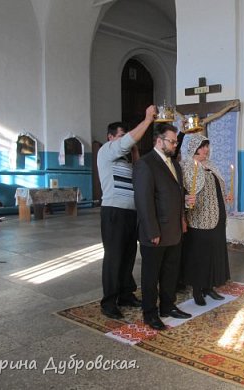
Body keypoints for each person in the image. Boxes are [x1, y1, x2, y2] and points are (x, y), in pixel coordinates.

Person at [97, 105, 157, 320]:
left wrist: (135, 152)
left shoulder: (126, 160)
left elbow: (140, 169)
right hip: (114, 212)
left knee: (129, 256)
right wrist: (147, 119)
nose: (125, 141)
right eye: (121, 136)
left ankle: (125, 294)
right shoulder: (106, 151)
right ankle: (109, 301)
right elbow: (126, 142)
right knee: (114, 257)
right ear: (110, 137)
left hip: (131, 213)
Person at [133, 123, 192, 331]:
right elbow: (143, 201)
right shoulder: (145, 164)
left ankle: (167, 306)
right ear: (159, 141)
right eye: (172, 141)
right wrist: (152, 231)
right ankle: (150, 313)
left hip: (174, 229)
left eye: (176, 142)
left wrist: (183, 216)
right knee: (151, 275)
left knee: (170, 272)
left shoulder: (174, 165)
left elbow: (174, 194)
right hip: (156, 232)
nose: (176, 145)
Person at [180, 134, 232, 306]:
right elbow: (186, 190)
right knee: (199, 255)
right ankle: (197, 289)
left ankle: (209, 287)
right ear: (194, 148)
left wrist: (226, 197)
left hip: (217, 215)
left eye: (207, 146)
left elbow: (218, 187)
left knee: (213, 253)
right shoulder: (187, 165)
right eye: (203, 146)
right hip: (199, 218)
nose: (206, 150)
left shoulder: (210, 164)